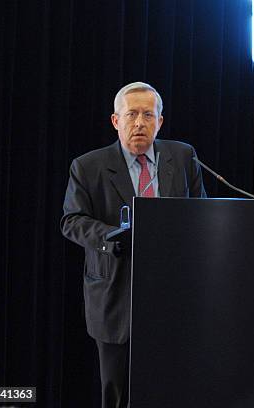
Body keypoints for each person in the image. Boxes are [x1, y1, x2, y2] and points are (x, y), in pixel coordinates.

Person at [61, 82, 206, 408]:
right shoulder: (88, 167)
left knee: (170, 390)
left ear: (160, 121)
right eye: (131, 115)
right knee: (117, 393)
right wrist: (114, 237)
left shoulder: (183, 157)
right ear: (116, 121)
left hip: (172, 296)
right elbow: (72, 222)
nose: (139, 122)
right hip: (116, 294)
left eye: (148, 115)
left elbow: (201, 212)